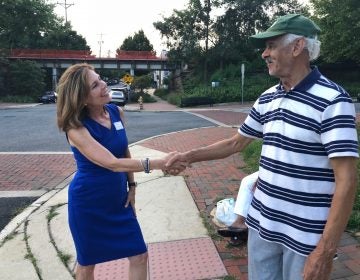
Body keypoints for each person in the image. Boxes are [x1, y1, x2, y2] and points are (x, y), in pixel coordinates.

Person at [167, 14, 358, 280]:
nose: (264, 54)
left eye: (271, 45)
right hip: (262, 225)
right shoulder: (269, 97)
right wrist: (189, 156)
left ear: (297, 46)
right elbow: (236, 142)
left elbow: (347, 181)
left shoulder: (333, 101)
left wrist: (325, 251)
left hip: (305, 236)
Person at [56, 63, 184, 280]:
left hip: (118, 201)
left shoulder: (116, 112)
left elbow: (124, 151)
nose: (104, 86)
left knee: (140, 255)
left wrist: (132, 186)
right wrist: (159, 163)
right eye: (95, 85)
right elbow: (112, 163)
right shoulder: (75, 128)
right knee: (87, 264)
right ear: (82, 97)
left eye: (100, 79)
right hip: (89, 204)